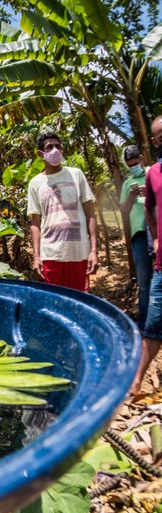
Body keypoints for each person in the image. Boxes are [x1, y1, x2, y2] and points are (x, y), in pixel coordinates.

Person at [27, 131, 98, 292]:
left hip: (78, 252)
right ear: (40, 154)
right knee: (56, 303)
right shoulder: (35, 183)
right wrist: (36, 256)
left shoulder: (76, 175)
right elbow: (35, 223)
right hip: (50, 254)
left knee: (77, 301)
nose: (55, 150)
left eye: (58, 146)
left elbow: (90, 214)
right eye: (49, 147)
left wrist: (93, 251)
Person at [139, 115, 162, 394]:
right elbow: (149, 208)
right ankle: (136, 384)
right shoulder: (152, 173)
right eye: (160, 135)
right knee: (153, 325)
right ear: (155, 141)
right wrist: (155, 237)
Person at [120, 145, 153, 332]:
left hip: (156, 231)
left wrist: (147, 192)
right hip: (139, 234)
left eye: (136, 163)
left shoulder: (152, 174)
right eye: (130, 165)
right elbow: (123, 210)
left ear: (141, 158)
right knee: (144, 283)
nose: (134, 167)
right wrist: (132, 196)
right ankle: (143, 325)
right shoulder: (127, 184)